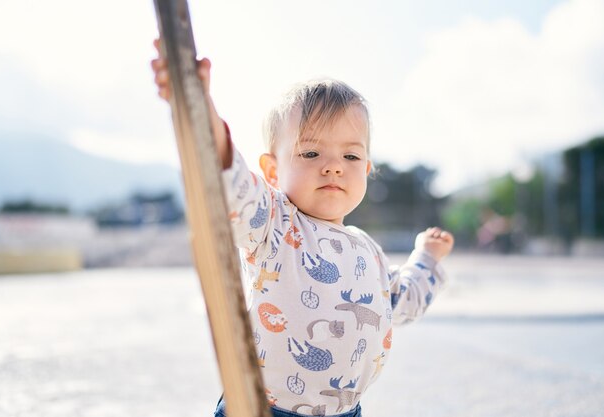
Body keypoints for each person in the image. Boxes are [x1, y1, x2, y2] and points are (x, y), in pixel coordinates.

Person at [151, 39, 454, 417]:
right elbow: (232, 180)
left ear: (367, 169)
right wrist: (200, 109)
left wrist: (425, 257)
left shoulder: (368, 251)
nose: (333, 166)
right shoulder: (275, 224)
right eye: (311, 153)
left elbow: (401, 302)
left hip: (346, 411)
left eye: (351, 155)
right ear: (273, 170)